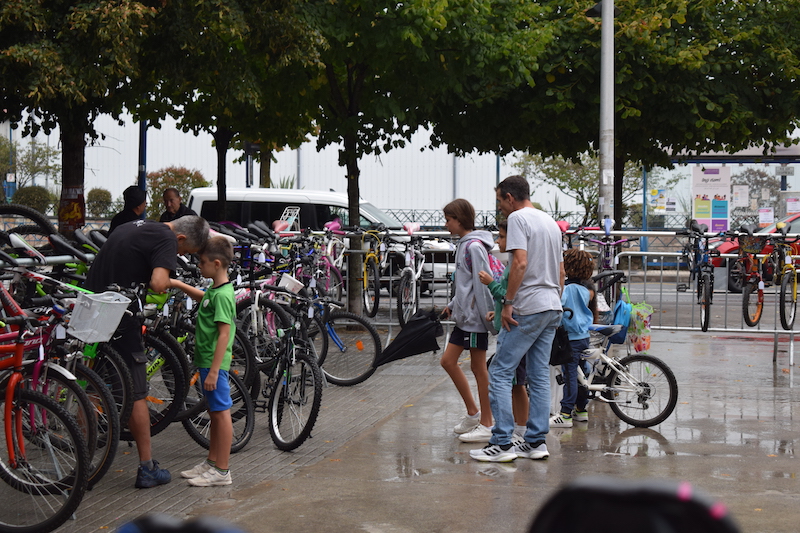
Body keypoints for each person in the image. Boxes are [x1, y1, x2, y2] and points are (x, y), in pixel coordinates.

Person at [85, 215, 210, 488]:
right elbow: (158, 283)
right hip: (119, 315)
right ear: (180, 238)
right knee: (136, 390)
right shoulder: (166, 238)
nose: (178, 255)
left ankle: (84, 462)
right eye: (183, 251)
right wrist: (180, 285)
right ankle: (147, 467)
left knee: (91, 386)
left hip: (92, 310)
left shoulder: (135, 225)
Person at [470, 175, 564, 463]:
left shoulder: (518, 219)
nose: (500, 207)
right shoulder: (550, 222)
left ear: (510, 198)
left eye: (500, 201)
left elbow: (520, 263)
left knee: (500, 371)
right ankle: (535, 441)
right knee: (538, 375)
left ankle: (502, 443)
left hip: (527, 306)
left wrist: (508, 303)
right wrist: (554, 299)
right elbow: (561, 271)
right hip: (551, 305)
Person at [172, 236, 236, 487]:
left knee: (221, 414)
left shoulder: (223, 296)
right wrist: (178, 284)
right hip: (207, 361)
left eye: (202, 262)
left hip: (213, 363)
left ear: (216, 264)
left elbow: (224, 335)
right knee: (214, 412)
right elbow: (204, 298)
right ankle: (212, 462)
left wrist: (214, 371)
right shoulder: (215, 290)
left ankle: (222, 470)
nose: (199, 266)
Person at [440, 199, 497, 443]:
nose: (446, 224)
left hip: (474, 319)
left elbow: (482, 284)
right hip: (465, 317)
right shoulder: (465, 245)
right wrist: (453, 305)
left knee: (478, 369)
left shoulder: (473, 247)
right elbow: (466, 285)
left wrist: (486, 317)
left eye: (448, 220)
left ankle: (487, 422)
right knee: (448, 361)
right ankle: (474, 414)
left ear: (459, 219)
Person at [479, 220, 529, 440]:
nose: (498, 241)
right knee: (515, 383)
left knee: (516, 383)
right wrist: (497, 312)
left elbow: (508, 296)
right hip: (508, 326)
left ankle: (517, 429)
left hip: (513, 330)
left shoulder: (515, 266)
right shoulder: (510, 263)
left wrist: (490, 282)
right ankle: (518, 427)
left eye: (501, 236)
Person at [550, 248, 596, 428]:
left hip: (570, 338)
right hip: (584, 336)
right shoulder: (585, 290)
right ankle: (581, 409)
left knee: (570, 375)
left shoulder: (567, 289)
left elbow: (558, 307)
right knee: (581, 374)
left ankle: (565, 414)